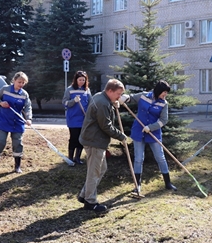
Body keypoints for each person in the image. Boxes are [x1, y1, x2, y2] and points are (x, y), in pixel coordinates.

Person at [76, 79, 128, 213]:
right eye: (118, 94)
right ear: (109, 91)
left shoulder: (101, 96)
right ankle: (90, 202)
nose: (119, 97)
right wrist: (121, 136)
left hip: (94, 139)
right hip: (94, 141)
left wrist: (113, 103)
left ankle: (84, 195)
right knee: (94, 172)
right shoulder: (102, 103)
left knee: (102, 168)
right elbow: (106, 125)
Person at [126, 80, 176, 193]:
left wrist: (151, 127)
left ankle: (168, 183)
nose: (165, 95)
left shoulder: (164, 103)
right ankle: (137, 185)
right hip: (138, 131)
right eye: (164, 92)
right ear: (158, 90)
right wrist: (124, 98)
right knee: (138, 159)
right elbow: (131, 98)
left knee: (160, 157)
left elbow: (164, 120)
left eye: (166, 93)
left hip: (154, 133)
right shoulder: (143, 96)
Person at [0, 72, 32, 175]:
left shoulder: (24, 94)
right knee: (0, 142)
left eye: (23, 83)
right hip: (3, 121)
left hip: (17, 122)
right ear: (14, 80)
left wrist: (29, 118)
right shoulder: (5, 89)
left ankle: (17, 167)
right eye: (19, 82)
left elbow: (28, 107)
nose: (21, 84)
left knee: (17, 143)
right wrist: (1, 103)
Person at [62, 70, 92, 166]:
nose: (82, 82)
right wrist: (73, 101)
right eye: (80, 80)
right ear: (76, 80)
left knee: (81, 138)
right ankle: (70, 158)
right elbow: (64, 103)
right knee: (74, 138)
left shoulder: (87, 90)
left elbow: (91, 103)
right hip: (73, 119)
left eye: (83, 80)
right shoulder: (69, 89)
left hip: (84, 119)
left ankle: (77, 158)